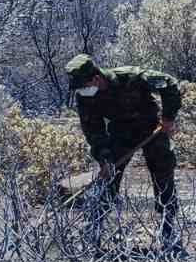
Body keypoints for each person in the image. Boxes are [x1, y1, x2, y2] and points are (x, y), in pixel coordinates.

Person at [64, 54, 182, 245]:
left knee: (163, 170)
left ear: (96, 78)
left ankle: (167, 225)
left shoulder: (132, 76)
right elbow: (93, 130)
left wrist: (168, 117)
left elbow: (169, 84)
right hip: (120, 133)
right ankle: (93, 228)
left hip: (151, 127)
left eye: (83, 85)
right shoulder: (85, 97)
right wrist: (103, 158)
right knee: (108, 176)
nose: (81, 90)